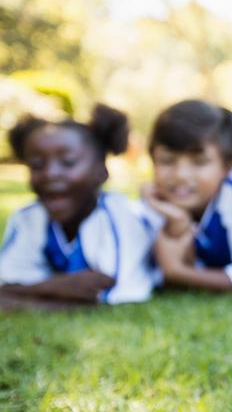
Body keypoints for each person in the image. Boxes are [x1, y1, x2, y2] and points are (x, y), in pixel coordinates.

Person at [0, 104, 156, 308]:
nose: (50, 173)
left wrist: (20, 295)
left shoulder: (120, 217)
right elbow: (7, 279)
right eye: (37, 164)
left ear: (101, 172)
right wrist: (58, 287)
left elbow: (109, 295)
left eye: (68, 162)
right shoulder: (28, 218)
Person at [141, 99, 232, 293]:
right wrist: (177, 223)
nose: (180, 175)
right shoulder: (158, 199)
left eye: (199, 162)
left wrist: (177, 272)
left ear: (227, 165)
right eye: (167, 161)